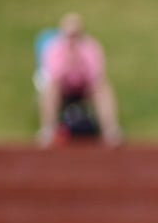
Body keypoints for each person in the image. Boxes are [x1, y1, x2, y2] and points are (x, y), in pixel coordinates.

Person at [38, 12, 122, 148]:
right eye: (69, 35)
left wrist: (79, 62)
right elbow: (53, 75)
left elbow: (96, 75)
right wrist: (67, 62)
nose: (72, 39)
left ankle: (110, 131)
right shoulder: (54, 48)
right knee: (50, 89)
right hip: (62, 88)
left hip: (85, 87)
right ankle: (47, 130)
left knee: (103, 87)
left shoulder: (91, 47)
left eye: (75, 34)